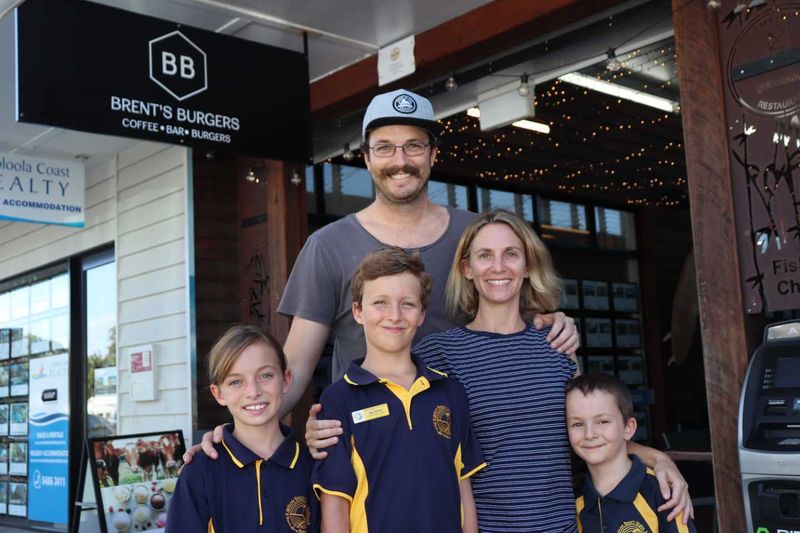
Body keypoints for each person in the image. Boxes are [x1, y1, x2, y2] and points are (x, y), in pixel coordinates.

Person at [186, 88, 579, 459]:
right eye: (385, 147)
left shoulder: (474, 234)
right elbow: (298, 365)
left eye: (414, 146)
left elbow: (515, 318)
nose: (400, 160)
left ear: (432, 155)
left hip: (470, 444)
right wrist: (242, 426)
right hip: (368, 448)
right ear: (367, 157)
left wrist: (551, 320)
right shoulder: (328, 245)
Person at [310, 209, 693, 532]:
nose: (498, 267)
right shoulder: (439, 354)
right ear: (467, 268)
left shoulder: (557, 347)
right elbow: (392, 424)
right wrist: (322, 431)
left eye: (511, 254)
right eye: (484, 256)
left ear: (527, 266)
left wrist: (656, 458)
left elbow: (591, 434)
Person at [313, 247, 484, 533]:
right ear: (358, 311)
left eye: (407, 304)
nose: (394, 315)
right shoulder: (339, 399)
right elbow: (335, 503)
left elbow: (463, 485)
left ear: (421, 314)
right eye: (380, 302)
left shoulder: (449, 391)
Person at [168, 325, 318, 533]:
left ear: (285, 380)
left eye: (265, 376)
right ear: (218, 393)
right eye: (236, 381)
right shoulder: (200, 471)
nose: (253, 392)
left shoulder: (312, 466)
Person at [567, 373, 696, 533]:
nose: (589, 434)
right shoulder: (574, 501)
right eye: (577, 424)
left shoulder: (663, 492)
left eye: (603, 421)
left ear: (628, 428)